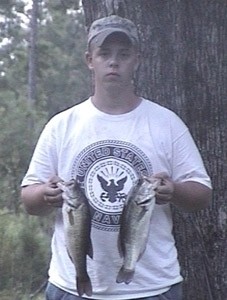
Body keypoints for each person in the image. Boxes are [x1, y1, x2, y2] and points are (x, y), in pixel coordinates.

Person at [21, 15, 212, 300]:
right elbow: (29, 200)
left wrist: (175, 190)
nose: (114, 62)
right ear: (90, 59)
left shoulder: (167, 123)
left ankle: (129, 265)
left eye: (124, 54)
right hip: (71, 289)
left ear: (137, 59)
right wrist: (45, 195)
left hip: (152, 289)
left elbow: (202, 195)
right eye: (104, 53)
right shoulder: (61, 125)